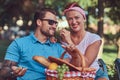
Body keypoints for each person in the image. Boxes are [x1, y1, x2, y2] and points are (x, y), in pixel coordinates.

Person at [0, 8, 67, 80]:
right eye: (50, 22)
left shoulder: (59, 47)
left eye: (55, 23)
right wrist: (13, 72)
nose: (54, 26)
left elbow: (70, 70)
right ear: (39, 22)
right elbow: (4, 72)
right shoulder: (19, 44)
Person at [59, 2, 109, 80]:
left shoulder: (94, 39)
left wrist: (69, 41)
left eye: (77, 17)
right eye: (70, 19)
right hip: (74, 76)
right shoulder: (63, 39)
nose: (74, 21)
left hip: (95, 74)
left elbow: (85, 65)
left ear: (84, 18)